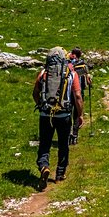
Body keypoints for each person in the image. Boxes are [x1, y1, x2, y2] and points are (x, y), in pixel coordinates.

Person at [33, 47, 83, 189]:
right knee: (63, 144)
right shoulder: (71, 74)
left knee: (44, 144)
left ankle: (44, 166)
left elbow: (35, 93)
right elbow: (78, 96)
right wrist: (80, 115)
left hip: (45, 115)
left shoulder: (43, 73)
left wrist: (41, 105)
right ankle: (60, 174)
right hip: (64, 115)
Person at [67, 47, 91, 145]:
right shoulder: (83, 65)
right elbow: (88, 79)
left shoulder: (67, 64)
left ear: (73, 54)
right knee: (77, 114)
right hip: (78, 92)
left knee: (68, 113)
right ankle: (75, 135)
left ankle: (67, 135)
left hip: (68, 93)